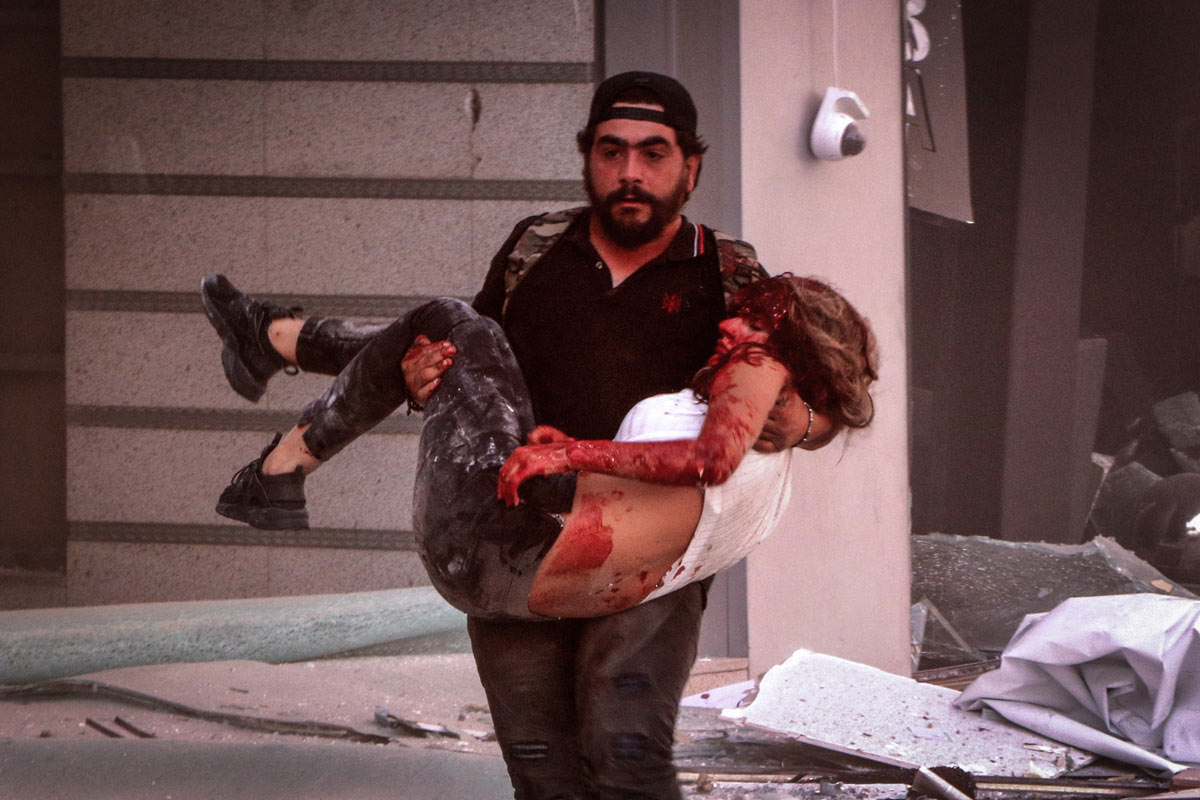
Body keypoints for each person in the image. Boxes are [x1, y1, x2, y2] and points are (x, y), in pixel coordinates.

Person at [201, 71, 834, 799]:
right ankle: (280, 345)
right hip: (520, 528)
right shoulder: (534, 247)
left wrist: (800, 422)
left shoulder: (731, 275)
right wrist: (416, 381)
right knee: (541, 773)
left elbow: (827, 403)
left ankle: (280, 349)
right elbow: (465, 366)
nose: (630, 172)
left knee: (625, 761)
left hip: (643, 554)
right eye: (610, 150)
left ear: (692, 167)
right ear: (585, 155)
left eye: (654, 153)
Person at [210, 274, 876, 618]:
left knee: (451, 323)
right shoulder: (778, 476)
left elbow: (707, 460)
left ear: (792, 354)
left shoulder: (759, 373)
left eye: (753, 319)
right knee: (471, 344)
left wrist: (567, 454)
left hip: (494, 535)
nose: (731, 324)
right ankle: (276, 339)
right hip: (513, 586)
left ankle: (283, 463)